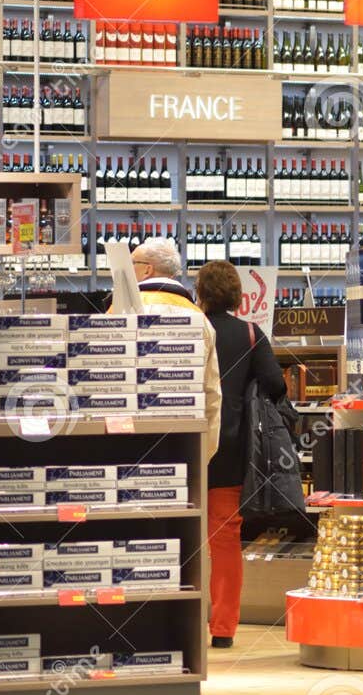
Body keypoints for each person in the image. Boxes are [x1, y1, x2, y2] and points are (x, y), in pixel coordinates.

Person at [196, 261, 286, 650]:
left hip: (182, 442)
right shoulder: (250, 333)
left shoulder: (190, 328)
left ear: (200, 293)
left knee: (175, 532)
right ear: (236, 294)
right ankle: (223, 628)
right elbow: (276, 385)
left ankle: (174, 613)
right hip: (230, 448)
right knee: (224, 537)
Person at [113, 237, 222, 474]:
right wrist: (203, 455)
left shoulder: (121, 309)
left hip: (126, 442)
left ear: (147, 269)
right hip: (182, 443)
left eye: (131, 263)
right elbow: (211, 393)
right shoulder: (200, 318)